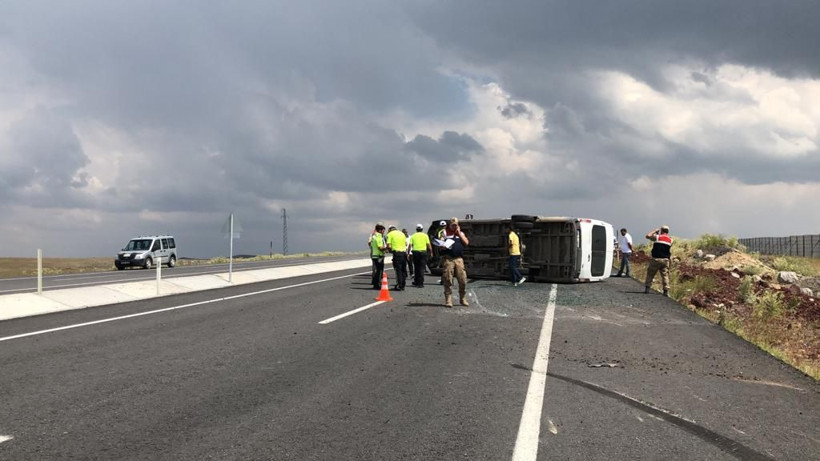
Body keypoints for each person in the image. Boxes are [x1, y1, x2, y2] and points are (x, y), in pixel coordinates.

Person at [436, 217, 470, 307]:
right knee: (447, 279)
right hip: (448, 259)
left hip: (459, 259)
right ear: (449, 225)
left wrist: (459, 234)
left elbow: (466, 243)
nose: (455, 227)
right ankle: (448, 299)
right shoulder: (444, 233)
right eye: (453, 225)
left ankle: (462, 298)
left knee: (462, 280)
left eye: (456, 225)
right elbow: (440, 244)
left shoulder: (461, 233)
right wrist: (442, 246)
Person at [645, 225, 673, 296]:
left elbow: (647, 236)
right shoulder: (670, 240)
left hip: (656, 259)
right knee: (665, 275)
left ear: (661, 230)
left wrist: (655, 231)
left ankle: (647, 288)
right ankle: (666, 291)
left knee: (650, 273)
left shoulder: (657, 237)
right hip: (665, 260)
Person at [386, 225, 408, 291]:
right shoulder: (402, 233)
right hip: (404, 253)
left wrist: (390, 251)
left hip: (397, 254)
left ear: (390, 230)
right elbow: (406, 244)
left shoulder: (390, 234)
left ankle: (399, 285)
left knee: (398, 270)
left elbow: (388, 245)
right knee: (403, 270)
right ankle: (403, 285)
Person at [370, 224, 387, 289]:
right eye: (383, 230)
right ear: (380, 230)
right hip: (378, 256)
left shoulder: (374, 236)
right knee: (379, 271)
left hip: (374, 255)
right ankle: (377, 284)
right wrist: (387, 248)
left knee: (377, 270)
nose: (383, 232)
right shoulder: (379, 237)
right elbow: (380, 247)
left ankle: (375, 283)